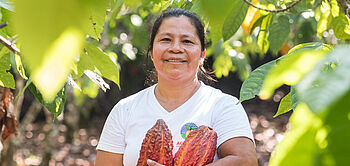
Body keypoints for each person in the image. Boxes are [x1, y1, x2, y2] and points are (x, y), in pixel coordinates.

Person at [95, 8, 257, 166]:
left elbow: (246, 161)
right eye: (166, 40)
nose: (176, 48)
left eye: (187, 41)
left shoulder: (223, 106)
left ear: (202, 55)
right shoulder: (125, 110)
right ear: (151, 52)